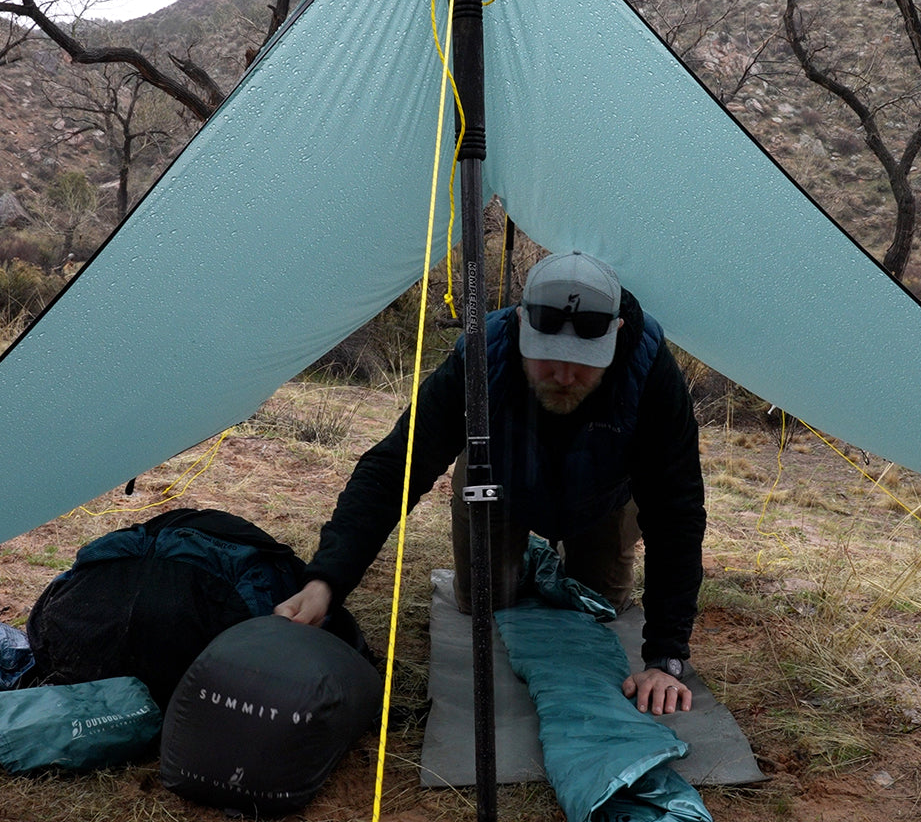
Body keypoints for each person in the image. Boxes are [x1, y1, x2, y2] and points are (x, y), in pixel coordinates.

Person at [276, 251, 707, 716]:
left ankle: (558, 563)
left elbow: (676, 511)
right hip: (496, 481)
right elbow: (394, 468)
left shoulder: (651, 371)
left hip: (606, 495)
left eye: (584, 363)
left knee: (602, 607)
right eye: (547, 358)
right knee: (483, 603)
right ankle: (524, 560)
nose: (564, 376)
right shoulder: (482, 355)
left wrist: (666, 655)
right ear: (522, 324)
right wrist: (327, 580)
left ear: (615, 335)